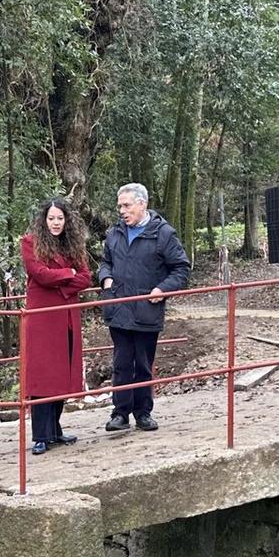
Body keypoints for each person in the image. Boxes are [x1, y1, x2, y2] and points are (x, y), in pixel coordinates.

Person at [98, 183, 190, 432]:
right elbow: (105, 262)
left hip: (147, 309)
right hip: (118, 308)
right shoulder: (114, 233)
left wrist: (163, 289)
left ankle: (143, 413)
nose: (122, 211)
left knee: (143, 364)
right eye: (119, 206)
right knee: (121, 363)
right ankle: (119, 413)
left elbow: (181, 268)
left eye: (126, 205)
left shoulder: (163, 234)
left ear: (142, 204)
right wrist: (105, 278)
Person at [21, 198, 92, 455]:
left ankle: (55, 430)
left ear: (66, 220)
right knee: (42, 374)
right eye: (51, 218)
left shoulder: (73, 244)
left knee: (62, 371)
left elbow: (86, 277)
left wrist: (65, 282)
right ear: (44, 220)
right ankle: (41, 435)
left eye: (60, 219)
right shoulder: (30, 242)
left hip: (65, 314)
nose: (55, 223)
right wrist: (68, 275)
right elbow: (39, 273)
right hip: (43, 317)